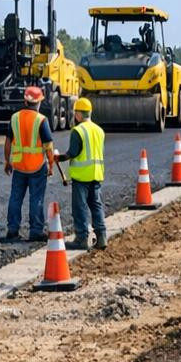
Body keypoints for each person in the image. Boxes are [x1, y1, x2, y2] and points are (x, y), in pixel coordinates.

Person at [3, 85, 55, 241]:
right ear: (39, 102)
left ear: (25, 102)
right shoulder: (41, 120)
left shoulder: (15, 118)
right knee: (36, 198)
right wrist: (51, 164)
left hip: (19, 165)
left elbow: (8, 141)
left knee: (15, 198)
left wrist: (7, 161)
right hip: (37, 166)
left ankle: (12, 230)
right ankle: (36, 231)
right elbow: (48, 145)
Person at [56, 97, 106, 251]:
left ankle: (81, 238)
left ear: (78, 114)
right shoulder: (99, 130)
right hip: (96, 174)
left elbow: (73, 153)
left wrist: (59, 158)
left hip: (81, 176)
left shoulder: (78, 131)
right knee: (96, 205)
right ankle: (102, 237)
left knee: (80, 207)